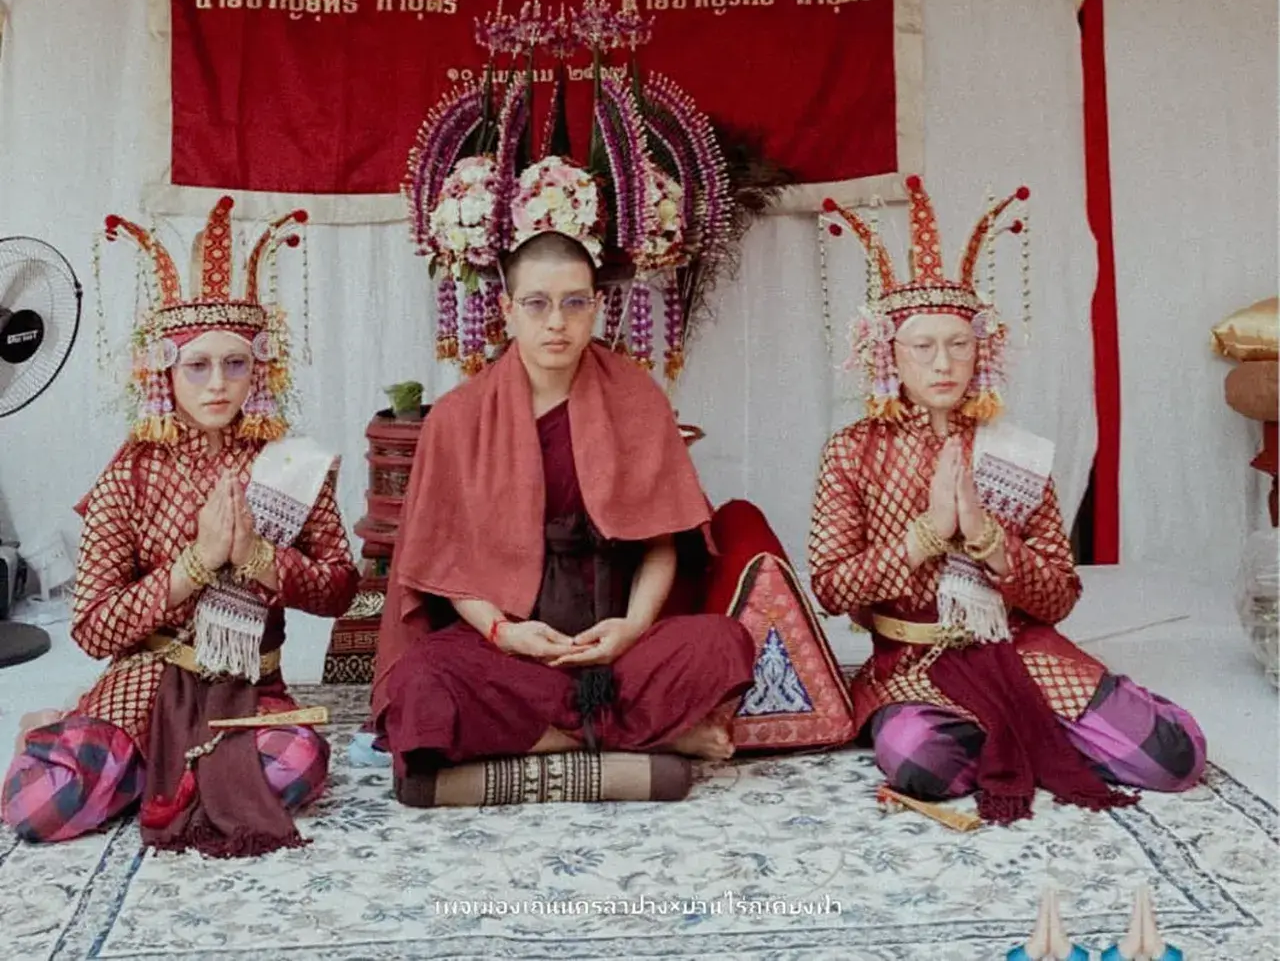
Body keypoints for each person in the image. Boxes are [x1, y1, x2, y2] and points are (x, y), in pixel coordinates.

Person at [808, 177, 1205, 823]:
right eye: (923, 347)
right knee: (920, 763)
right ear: (889, 354)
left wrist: (990, 540)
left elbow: (1059, 596)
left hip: (1016, 649)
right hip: (914, 661)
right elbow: (829, 588)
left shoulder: (1013, 453)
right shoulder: (851, 451)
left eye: (959, 344)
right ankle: (1020, 734)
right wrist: (928, 534)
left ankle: (1021, 727)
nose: (944, 363)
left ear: (980, 350)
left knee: (1173, 757)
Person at [2, 198, 359, 855]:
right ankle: (160, 764)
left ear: (261, 366)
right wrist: (196, 563)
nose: (219, 383)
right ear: (164, 370)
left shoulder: (293, 465)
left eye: (236, 362)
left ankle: (152, 774)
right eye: (198, 364)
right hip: (149, 682)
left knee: (298, 762)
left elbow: (340, 588)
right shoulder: (129, 476)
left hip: (246, 689)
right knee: (37, 807)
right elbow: (92, 627)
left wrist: (256, 558)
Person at [372, 231, 756, 799]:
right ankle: (642, 740)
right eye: (538, 304)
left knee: (722, 644)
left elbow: (661, 544)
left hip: (616, 644)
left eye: (575, 302)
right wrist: (505, 634)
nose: (557, 322)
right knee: (419, 684)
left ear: (597, 307)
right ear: (507, 310)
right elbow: (444, 565)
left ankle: (553, 738)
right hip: (511, 648)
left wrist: (632, 629)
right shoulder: (459, 416)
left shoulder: (635, 397)